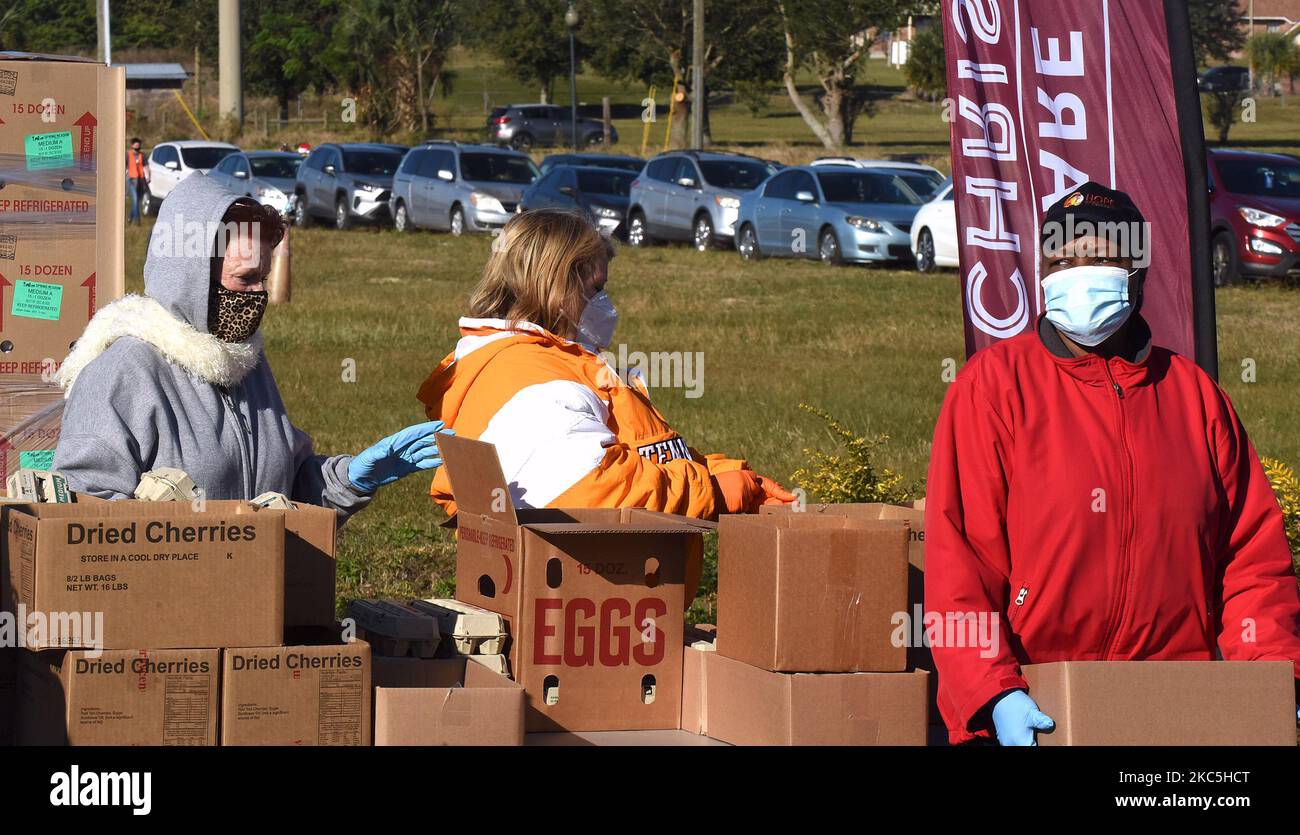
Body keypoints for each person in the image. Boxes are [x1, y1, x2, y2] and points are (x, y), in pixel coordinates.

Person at [925, 182, 1300, 746]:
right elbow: (959, 567)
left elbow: (1252, 562)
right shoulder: (993, 388)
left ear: (1138, 274)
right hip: (1037, 703)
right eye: (1061, 259)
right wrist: (993, 693)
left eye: (1100, 256)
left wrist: (1277, 679)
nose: (1079, 270)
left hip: (1176, 712)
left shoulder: (1196, 398)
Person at [53, 173, 451, 517]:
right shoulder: (124, 371)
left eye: (263, 277)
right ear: (191, 279)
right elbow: (83, 511)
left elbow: (286, 493)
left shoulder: (244, 363)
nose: (259, 294)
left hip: (252, 596)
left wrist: (350, 478)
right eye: (245, 279)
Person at [417, 208, 794, 522]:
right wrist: (711, 492)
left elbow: (641, 454)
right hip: (593, 601)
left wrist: (727, 475)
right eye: (595, 289)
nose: (604, 303)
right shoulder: (533, 379)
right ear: (553, 285)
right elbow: (596, 487)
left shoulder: (555, 361)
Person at [126, 137, 149, 225]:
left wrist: (148, 177)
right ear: (132, 146)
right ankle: (138, 221)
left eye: (138, 145)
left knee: (137, 201)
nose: (137, 147)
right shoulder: (128, 155)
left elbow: (146, 166)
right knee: (135, 200)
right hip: (131, 180)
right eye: (135, 145)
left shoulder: (142, 155)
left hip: (140, 180)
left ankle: (130, 217)